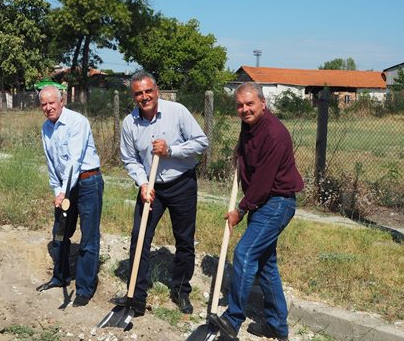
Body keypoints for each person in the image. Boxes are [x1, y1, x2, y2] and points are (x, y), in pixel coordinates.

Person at [208, 82, 304, 341]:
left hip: (277, 203)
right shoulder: (249, 126)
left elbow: (262, 182)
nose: (245, 109)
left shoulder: (274, 134)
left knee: (245, 253)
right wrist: (240, 153)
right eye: (239, 105)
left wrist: (240, 209)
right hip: (265, 202)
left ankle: (233, 318)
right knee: (265, 265)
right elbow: (249, 153)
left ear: (263, 103)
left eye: (250, 103)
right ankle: (276, 326)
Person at [111, 71, 208, 315]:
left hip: (182, 183)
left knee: (184, 240)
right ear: (133, 96)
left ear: (156, 90)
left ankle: (181, 291)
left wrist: (171, 151)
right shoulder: (129, 123)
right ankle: (136, 294)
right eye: (138, 93)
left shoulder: (177, 112)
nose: (144, 97)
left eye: (148, 91)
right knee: (140, 237)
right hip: (151, 187)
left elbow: (201, 142)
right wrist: (143, 183)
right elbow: (129, 159)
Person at [36, 85, 104, 308]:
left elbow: (74, 161)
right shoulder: (46, 128)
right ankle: (60, 276)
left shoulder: (77, 122)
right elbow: (52, 165)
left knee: (89, 236)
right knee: (60, 232)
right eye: (43, 104)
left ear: (61, 101)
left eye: (51, 103)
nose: (48, 108)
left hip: (87, 183)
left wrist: (65, 190)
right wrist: (58, 191)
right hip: (65, 187)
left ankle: (84, 288)